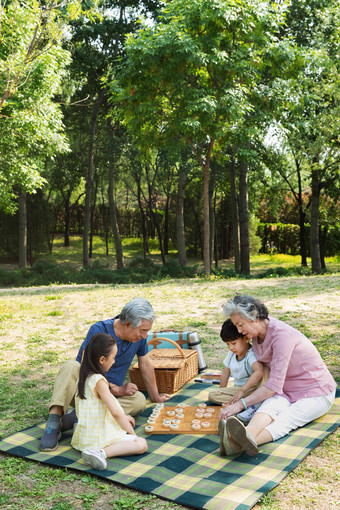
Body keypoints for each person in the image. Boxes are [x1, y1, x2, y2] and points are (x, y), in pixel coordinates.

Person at [40, 297, 170, 452]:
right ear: (127, 323)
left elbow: (145, 363)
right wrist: (116, 390)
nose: (145, 336)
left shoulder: (140, 338)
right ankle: (54, 422)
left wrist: (155, 397)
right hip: (86, 391)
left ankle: (79, 416)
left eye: (147, 330)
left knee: (140, 400)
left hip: (109, 398)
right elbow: (85, 368)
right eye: (143, 330)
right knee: (70, 366)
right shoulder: (99, 330)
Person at [218, 295, 336, 457]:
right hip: (284, 390)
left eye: (240, 325)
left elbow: (273, 385)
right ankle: (243, 437)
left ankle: (236, 444)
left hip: (316, 392)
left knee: (286, 419)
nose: (238, 331)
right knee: (270, 407)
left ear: (253, 317)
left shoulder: (282, 336)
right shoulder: (256, 335)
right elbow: (272, 383)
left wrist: (240, 405)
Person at [71, 332, 148, 470]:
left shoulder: (84, 376)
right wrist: (133, 435)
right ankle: (100, 452)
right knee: (141, 444)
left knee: (126, 426)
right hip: (96, 439)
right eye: (112, 358)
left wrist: (124, 417)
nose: (114, 361)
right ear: (102, 360)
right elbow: (116, 413)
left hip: (84, 438)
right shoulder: (99, 381)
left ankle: (95, 450)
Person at [208, 319, 268, 424]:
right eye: (227, 344)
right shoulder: (232, 354)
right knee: (213, 395)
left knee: (265, 374)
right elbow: (226, 372)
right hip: (238, 390)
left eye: (234, 343)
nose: (230, 347)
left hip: (252, 389)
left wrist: (242, 391)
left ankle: (251, 403)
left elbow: (259, 372)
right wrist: (222, 390)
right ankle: (245, 404)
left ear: (245, 338)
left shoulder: (250, 354)